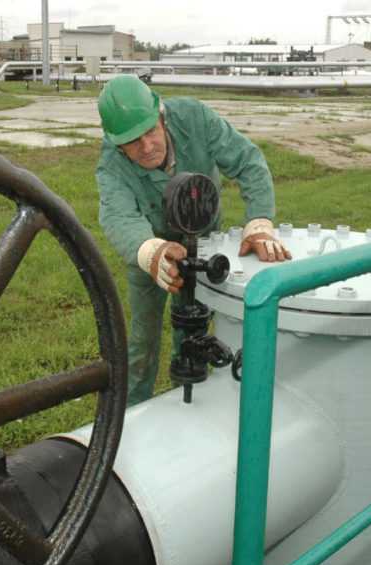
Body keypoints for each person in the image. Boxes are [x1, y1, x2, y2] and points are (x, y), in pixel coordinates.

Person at [95, 75, 291, 406]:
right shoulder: (111, 167)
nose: (146, 147)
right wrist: (151, 253)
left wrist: (259, 223)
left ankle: (187, 404)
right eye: (132, 142)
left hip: (204, 242)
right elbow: (119, 217)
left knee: (193, 331)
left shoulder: (195, 119)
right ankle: (130, 419)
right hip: (152, 251)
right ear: (116, 144)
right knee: (143, 343)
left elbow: (248, 162)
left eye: (150, 132)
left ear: (162, 116)